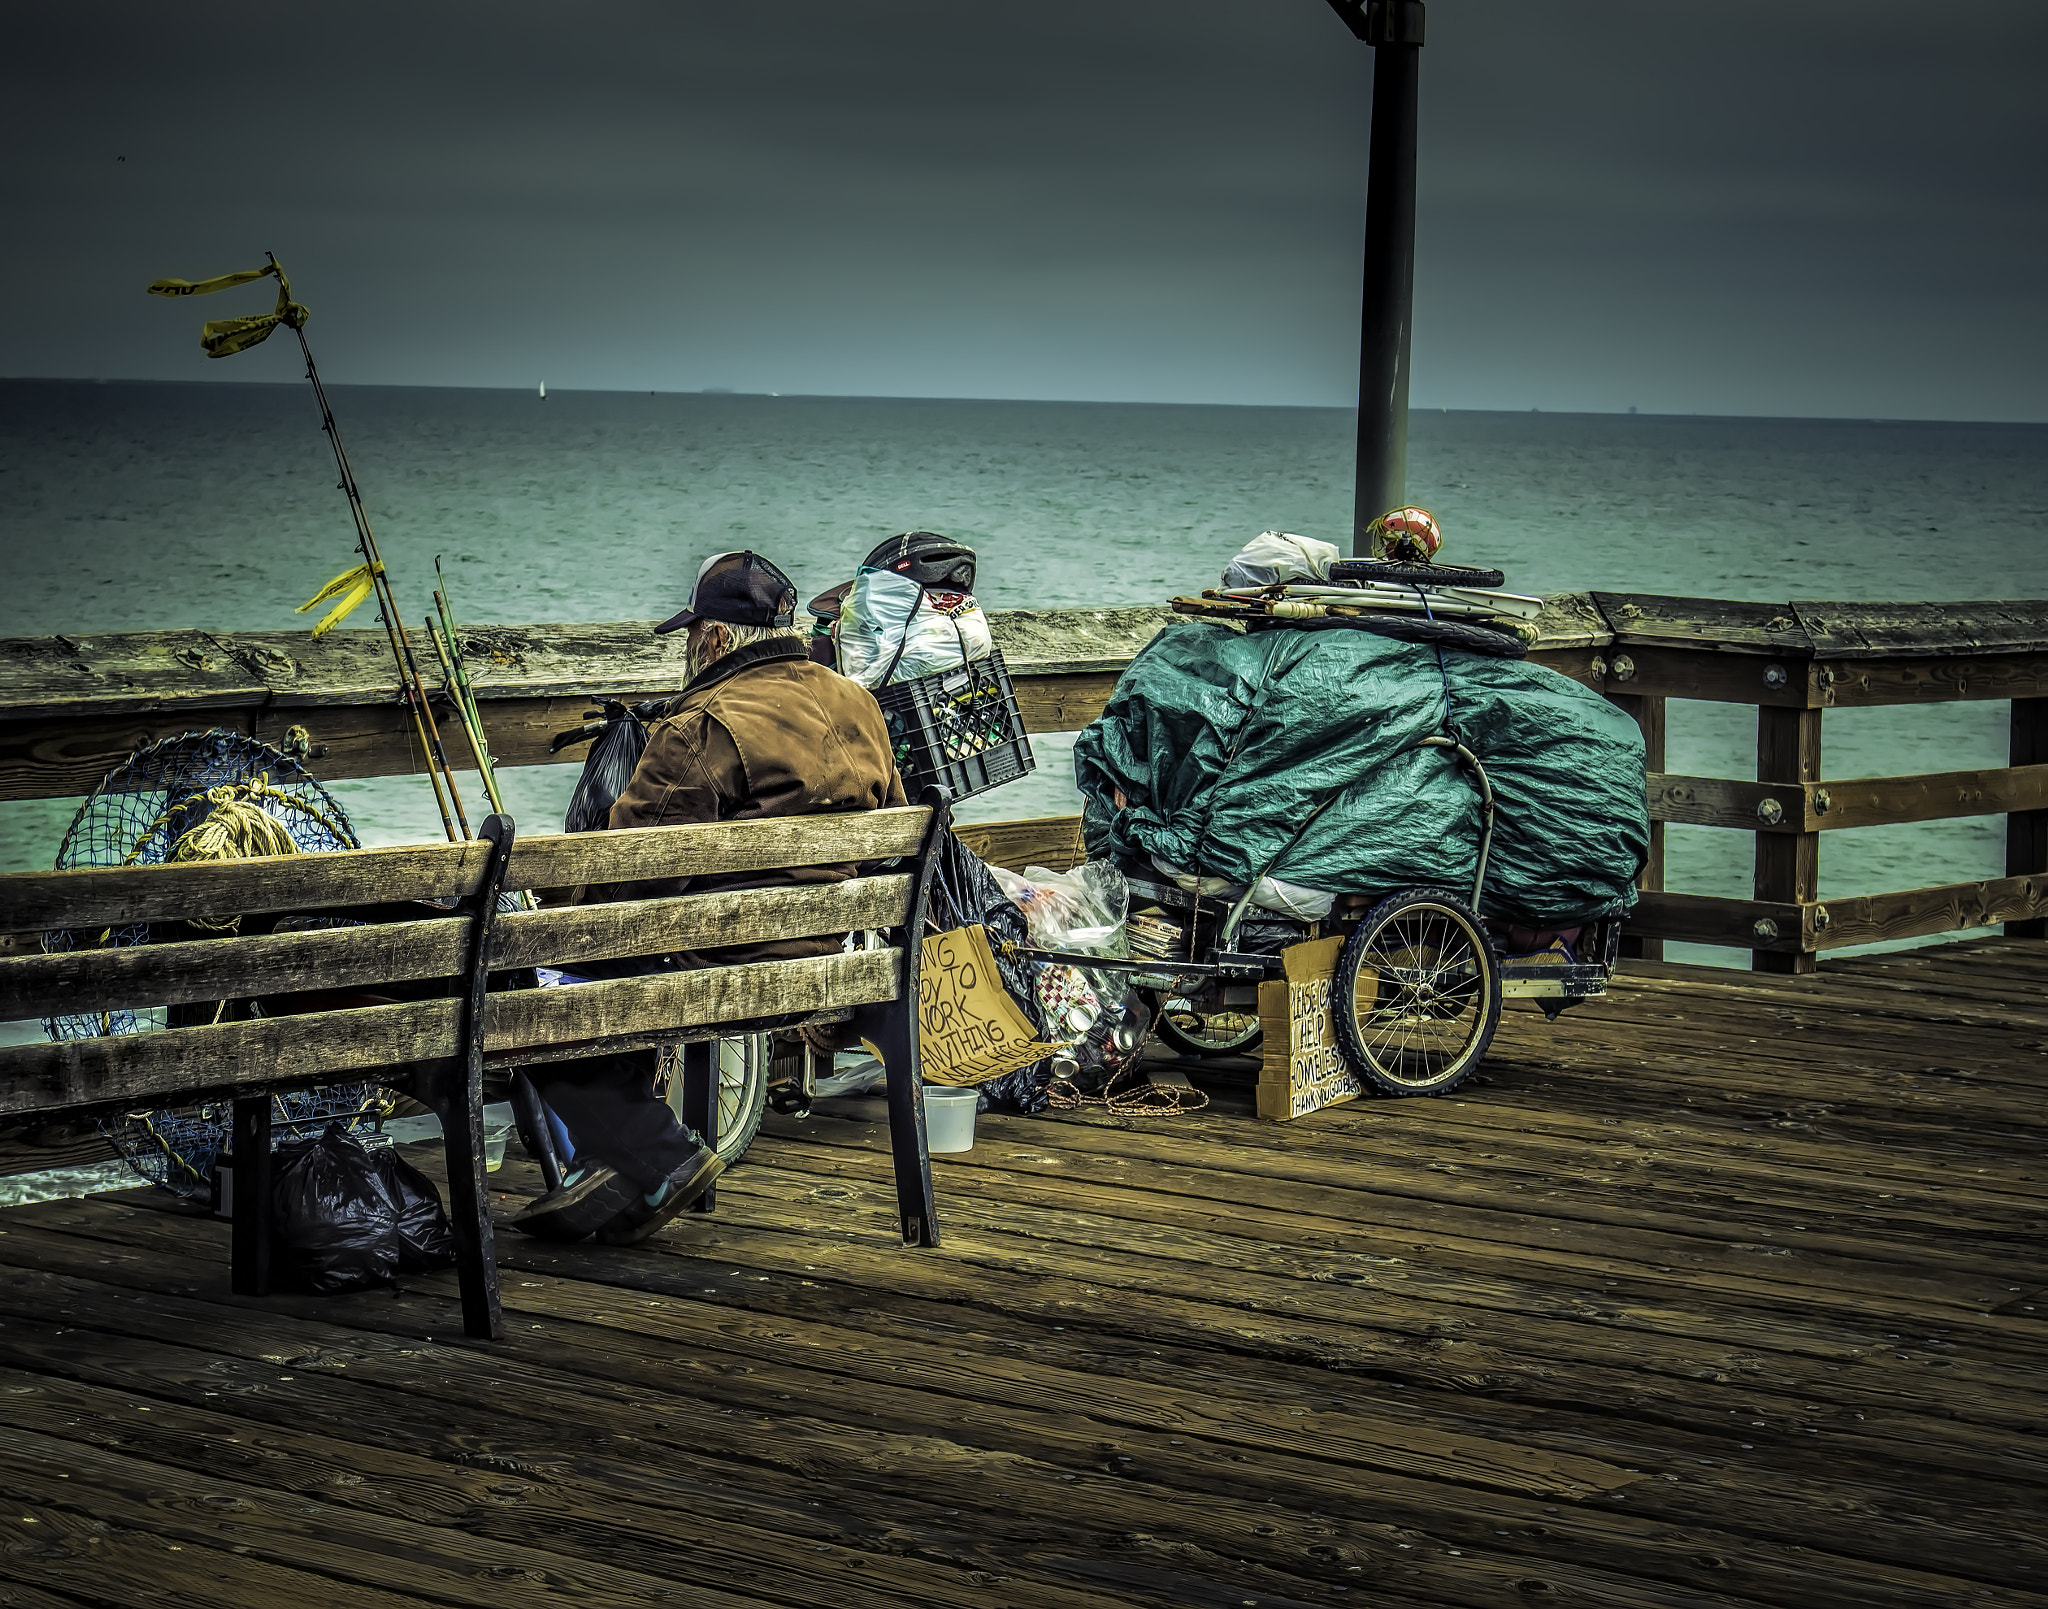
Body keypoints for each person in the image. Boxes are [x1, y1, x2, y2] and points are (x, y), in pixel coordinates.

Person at [509, 549, 907, 1244]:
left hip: (721, 968)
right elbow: (887, 840)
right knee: (593, 967)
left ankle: (660, 1153)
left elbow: (624, 876)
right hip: (828, 967)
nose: (690, 648)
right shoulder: (860, 706)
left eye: (693, 633)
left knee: (521, 998)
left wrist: (546, 919)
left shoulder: (701, 725)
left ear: (717, 638)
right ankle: (623, 1167)